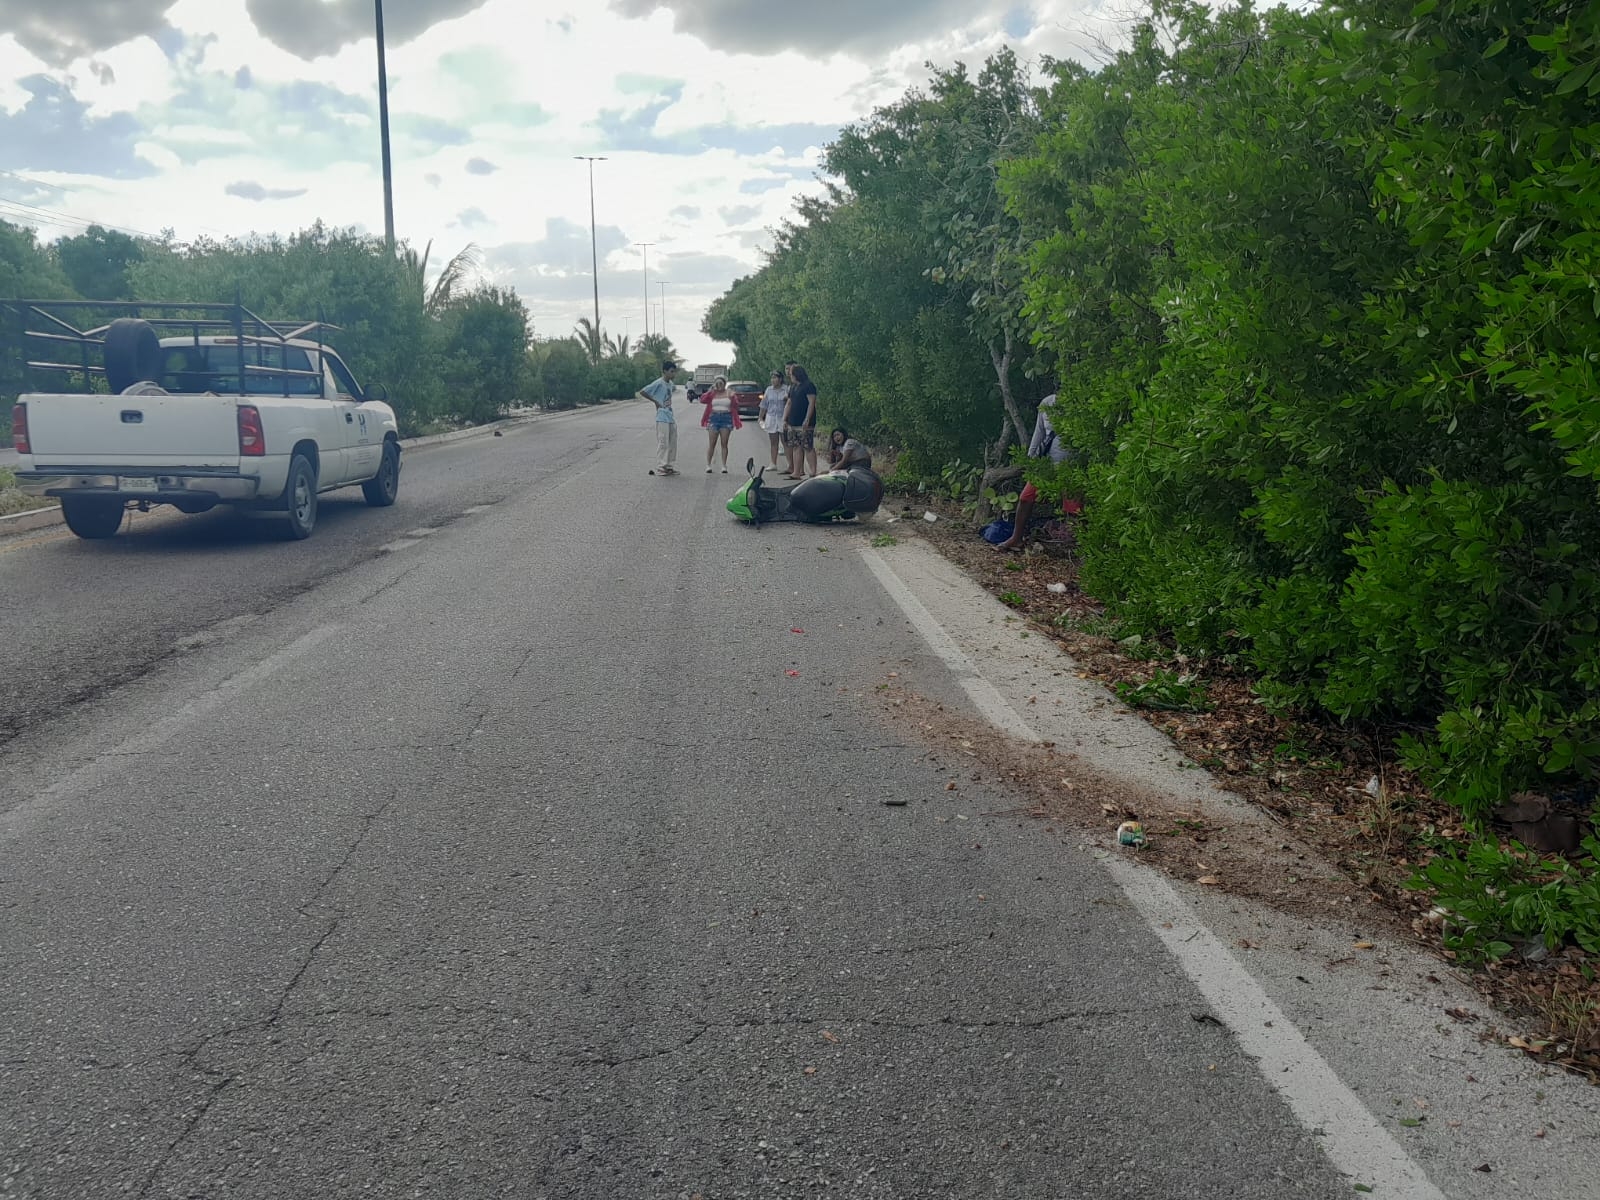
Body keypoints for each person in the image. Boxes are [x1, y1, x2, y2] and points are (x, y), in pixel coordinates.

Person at [996, 393, 1079, 551]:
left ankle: (1076, 548)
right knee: (1025, 498)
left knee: (1073, 508)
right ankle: (1016, 538)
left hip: (1070, 466)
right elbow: (1039, 433)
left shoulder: (1079, 405)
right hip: (1045, 464)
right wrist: (1031, 459)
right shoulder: (1047, 403)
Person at [638, 360, 679, 476]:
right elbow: (643, 391)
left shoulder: (670, 384)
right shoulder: (658, 383)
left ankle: (669, 465)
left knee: (673, 442)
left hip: (670, 415)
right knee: (663, 442)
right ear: (665, 371)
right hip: (661, 417)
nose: (673, 374)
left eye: (674, 372)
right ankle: (661, 466)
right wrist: (655, 401)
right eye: (671, 371)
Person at [697, 375, 743, 473]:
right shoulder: (712, 394)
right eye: (717, 383)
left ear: (724, 384)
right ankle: (708, 465)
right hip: (714, 418)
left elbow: (736, 405)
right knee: (712, 443)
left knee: (724, 443)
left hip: (726, 418)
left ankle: (724, 465)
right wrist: (710, 390)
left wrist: (732, 397)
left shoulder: (729, 393)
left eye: (721, 383)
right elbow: (702, 400)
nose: (719, 385)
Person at [783, 363, 818, 478]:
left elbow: (811, 403)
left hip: (805, 421)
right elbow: (789, 403)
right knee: (796, 446)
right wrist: (785, 418)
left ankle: (813, 471)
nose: (790, 375)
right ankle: (797, 472)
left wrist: (807, 419)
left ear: (797, 374)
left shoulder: (808, 385)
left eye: (791, 373)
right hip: (793, 421)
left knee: (807, 446)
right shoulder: (793, 387)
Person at [758, 371, 788, 468]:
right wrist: (760, 417)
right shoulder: (769, 389)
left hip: (782, 417)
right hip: (771, 417)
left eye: (775, 378)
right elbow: (764, 404)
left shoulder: (786, 389)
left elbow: (790, 403)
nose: (773, 380)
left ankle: (790, 463)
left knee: (785, 441)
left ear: (780, 379)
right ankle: (773, 463)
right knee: (773, 442)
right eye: (772, 378)